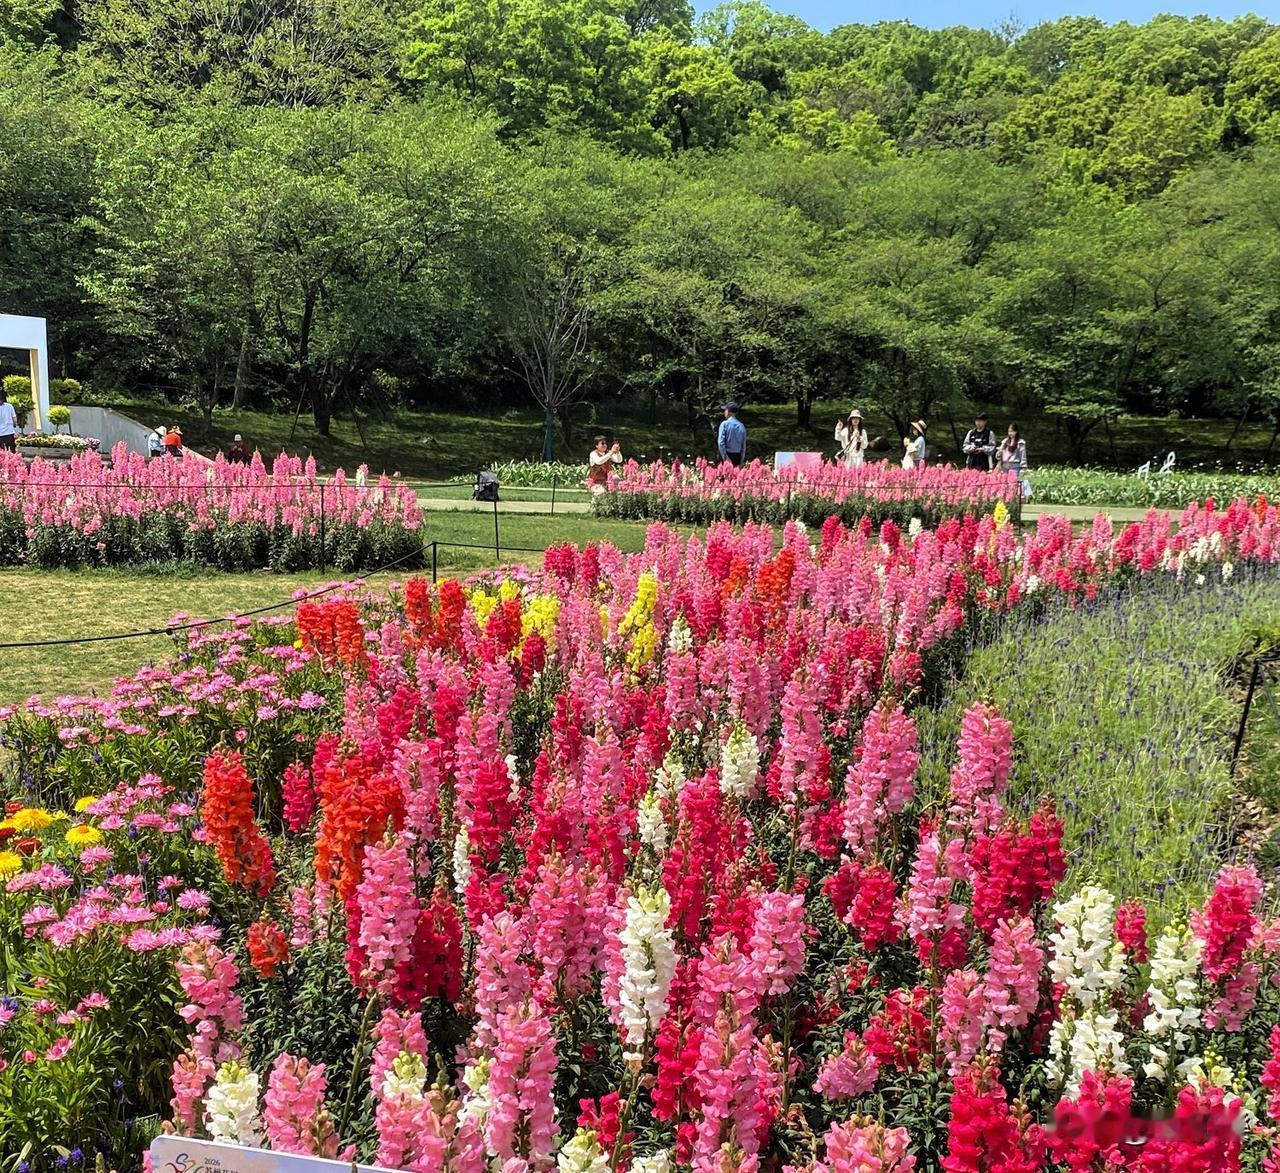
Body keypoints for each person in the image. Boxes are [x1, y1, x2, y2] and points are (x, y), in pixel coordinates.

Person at [717, 402, 747, 467]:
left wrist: (725, 457)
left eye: (725, 410)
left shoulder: (724, 424)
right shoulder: (741, 426)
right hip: (737, 456)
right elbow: (743, 445)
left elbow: (721, 443)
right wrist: (741, 460)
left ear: (728, 411)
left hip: (726, 454)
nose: (724, 412)